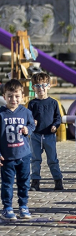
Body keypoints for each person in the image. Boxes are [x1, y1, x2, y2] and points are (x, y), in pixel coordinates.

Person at [0, 79, 35, 220]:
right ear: (4, 96)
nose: (13, 99)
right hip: (7, 156)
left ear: (23, 96)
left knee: (24, 182)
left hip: (24, 154)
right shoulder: (1, 114)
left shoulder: (25, 112)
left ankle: (23, 206)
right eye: (10, 96)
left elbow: (32, 125)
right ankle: (7, 207)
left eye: (16, 96)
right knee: (7, 183)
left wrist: (28, 130)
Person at [27, 72, 63, 191]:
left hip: (49, 136)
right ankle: (35, 181)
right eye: (37, 86)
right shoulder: (32, 104)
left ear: (48, 86)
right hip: (35, 135)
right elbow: (28, 118)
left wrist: (55, 125)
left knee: (52, 159)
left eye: (43, 85)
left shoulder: (53, 102)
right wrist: (32, 122)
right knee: (35, 159)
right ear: (33, 88)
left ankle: (58, 180)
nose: (41, 88)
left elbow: (58, 118)